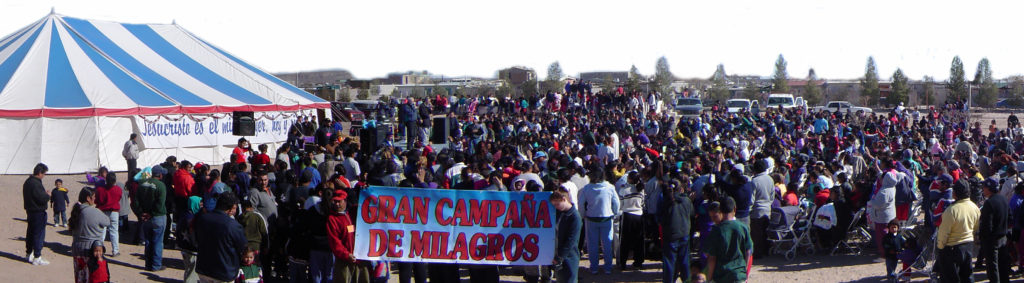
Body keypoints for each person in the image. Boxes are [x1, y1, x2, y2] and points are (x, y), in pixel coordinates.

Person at [195, 193, 248, 283]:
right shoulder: (233, 225)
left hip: (204, 268)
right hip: (223, 272)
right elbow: (243, 247)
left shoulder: (203, 219)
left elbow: (197, 239)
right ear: (230, 209)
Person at [936, 180, 981, 283]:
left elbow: (943, 234)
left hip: (952, 248)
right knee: (967, 276)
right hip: (968, 246)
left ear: (955, 193)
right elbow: (975, 227)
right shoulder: (975, 207)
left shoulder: (951, 210)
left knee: (950, 278)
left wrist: (941, 248)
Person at [578, 166, 620, 274]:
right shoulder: (610, 187)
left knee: (592, 244)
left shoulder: (587, 188)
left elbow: (581, 204)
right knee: (607, 244)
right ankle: (608, 267)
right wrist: (614, 213)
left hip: (591, 218)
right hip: (606, 218)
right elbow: (616, 203)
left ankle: (594, 267)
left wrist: (583, 215)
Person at [705, 197, 753, 283]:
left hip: (721, 276)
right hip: (738, 276)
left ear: (720, 211)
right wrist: (744, 272)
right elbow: (748, 251)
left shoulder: (716, 230)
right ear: (734, 208)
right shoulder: (743, 227)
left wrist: (709, 278)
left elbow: (712, 258)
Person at [327, 189, 369, 283]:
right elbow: (335, 242)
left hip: (359, 258)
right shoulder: (332, 219)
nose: (337, 204)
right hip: (344, 261)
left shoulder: (352, 213)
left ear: (345, 201)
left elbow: (367, 205)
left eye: (339, 201)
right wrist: (346, 255)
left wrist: (367, 190)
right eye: (335, 201)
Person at [69, 188, 109, 281]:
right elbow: (107, 222)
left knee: (80, 278)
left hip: (77, 249)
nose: (95, 199)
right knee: (92, 278)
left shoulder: (76, 211)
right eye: (94, 197)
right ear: (88, 198)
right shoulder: (94, 212)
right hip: (91, 250)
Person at [659, 180, 694, 283]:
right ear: (681, 189)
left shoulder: (665, 202)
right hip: (684, 234)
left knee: (669, 264)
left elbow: (660, 218)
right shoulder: (687, 201)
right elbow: (692, 214)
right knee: (684, 263)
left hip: (670, 236)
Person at [134, 166, 169, 271]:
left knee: (148, 241)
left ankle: (148, 264)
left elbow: (135, 201)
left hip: (145, 218)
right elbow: (160, 203)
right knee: (158, 241)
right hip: (158, 217)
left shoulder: (142, 184)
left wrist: (141, 213)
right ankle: (156, 265)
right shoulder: (161, 186)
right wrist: (151, 213)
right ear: (160, 175)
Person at [980, 177, 1010, 283]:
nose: (983, 189)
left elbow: (987, 225)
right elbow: (1010, 218)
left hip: (993, 240)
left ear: (989, 188)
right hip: (1003, 238)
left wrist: (983, 239)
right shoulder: (1003, 199)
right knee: (1003, 265)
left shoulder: (989, 203)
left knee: (993, 267)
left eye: (984, 187)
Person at [551, 191, 581, 283]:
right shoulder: (560, 213)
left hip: (569, 256)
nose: (556, 207)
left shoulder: (575, 216)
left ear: (564, 199)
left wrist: (560, 257)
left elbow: (571, 240)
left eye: (557, 204)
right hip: (559, 254)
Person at [23, 163, 50, 265]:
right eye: (44, 174)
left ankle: (29, 253)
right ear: (39, 173)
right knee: (39, 234)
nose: (44, 176)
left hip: (30, 211)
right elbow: (41, 199)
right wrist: (47, 196)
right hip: (38, 211)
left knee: (30, 232)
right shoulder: (35, 183)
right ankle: (37, 257)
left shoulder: (28, 182)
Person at [94, 173, 122, 257]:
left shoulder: (100, 189)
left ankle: (100, 249)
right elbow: (119, 198)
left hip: (102, 211)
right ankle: (115, 250)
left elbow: (97, 200)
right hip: (114, 212)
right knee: (114, 231)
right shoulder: (118, 189)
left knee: (102, 231)